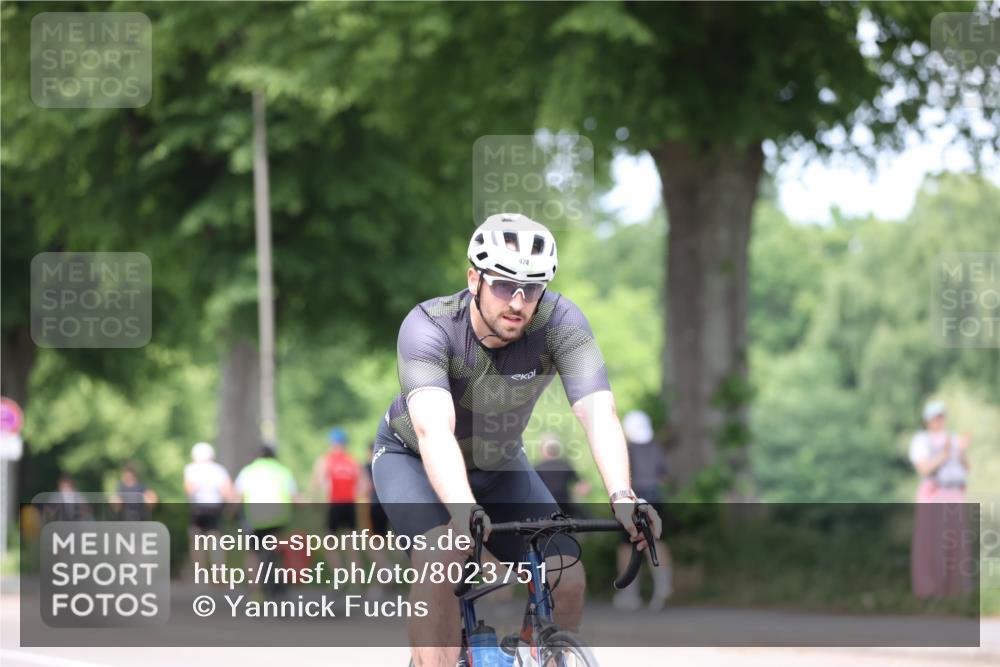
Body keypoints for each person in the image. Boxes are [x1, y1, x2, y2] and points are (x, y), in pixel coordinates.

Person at [369, 213, 663, 667]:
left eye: (533, 287)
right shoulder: (430, 326)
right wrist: (462, 510)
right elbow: (434, 430)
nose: (519, 301)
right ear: (475, 279)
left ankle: (536, 654)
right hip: (413, 460)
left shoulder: (562, 322)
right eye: (505, 285)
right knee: (442, 557)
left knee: (567, 577)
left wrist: (623, 496)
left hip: (499, 463)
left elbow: (598, 413)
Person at [908, 400, 973, 599]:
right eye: (935, 417)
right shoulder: (921, 440)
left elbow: (966, 467)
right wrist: (944, 455)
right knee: (932, 541)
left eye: (941, 416)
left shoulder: (953, 439)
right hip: (934, 495)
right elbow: (923, 468)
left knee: (955, 542)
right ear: (927, 420)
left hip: (954, 495)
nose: (939, 420)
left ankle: (956, 591)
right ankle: (930, 590)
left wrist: (960, 450)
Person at [612, 409, 674, 612]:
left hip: (631, 500)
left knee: (626, 546)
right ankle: (663, 586)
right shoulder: (657, 448)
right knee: (655, 541)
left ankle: (629, 593)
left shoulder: (625, 449)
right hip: (655, 499)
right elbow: (663, 477)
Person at [235, 444, 299, 599]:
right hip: (278, 518)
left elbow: (237, 497)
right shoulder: (283, 471)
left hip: (254, 518)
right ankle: (281, 583)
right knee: (278, 549)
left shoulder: (248, 471)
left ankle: (256, 591)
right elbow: (295, 498)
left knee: (252, 553)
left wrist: (231, 513)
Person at [183, 442, 233, 572]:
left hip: (197, 508)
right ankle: (219, 573)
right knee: (215, 541)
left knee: (197, 542)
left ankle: (200, 573)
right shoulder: (219, 470)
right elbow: (227, 492)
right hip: (214, 508)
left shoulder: (191, 469)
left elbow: (189, 490)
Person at [533, 432, 590, 511]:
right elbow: (584, 486)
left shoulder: (537, 468)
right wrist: (575, 496)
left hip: (545, 508)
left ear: (542, 449)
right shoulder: (565, 465)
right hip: (566, 508)